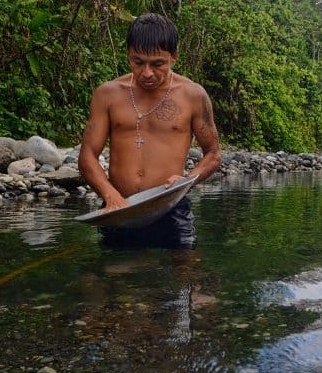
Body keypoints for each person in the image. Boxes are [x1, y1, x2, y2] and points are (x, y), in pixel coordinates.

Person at [78, 13, 221, 248]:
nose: (147, 73)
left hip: (171, 209)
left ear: (173, 56)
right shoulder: (107, 94)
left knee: (187, 276)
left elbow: (213, 154)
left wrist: (187, 180)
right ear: (128, 54)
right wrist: (110, 195)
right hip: (118, 210)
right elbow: (87, 156)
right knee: (113, 278)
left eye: (157, 64)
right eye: (138, 62)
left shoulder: (193, 95)